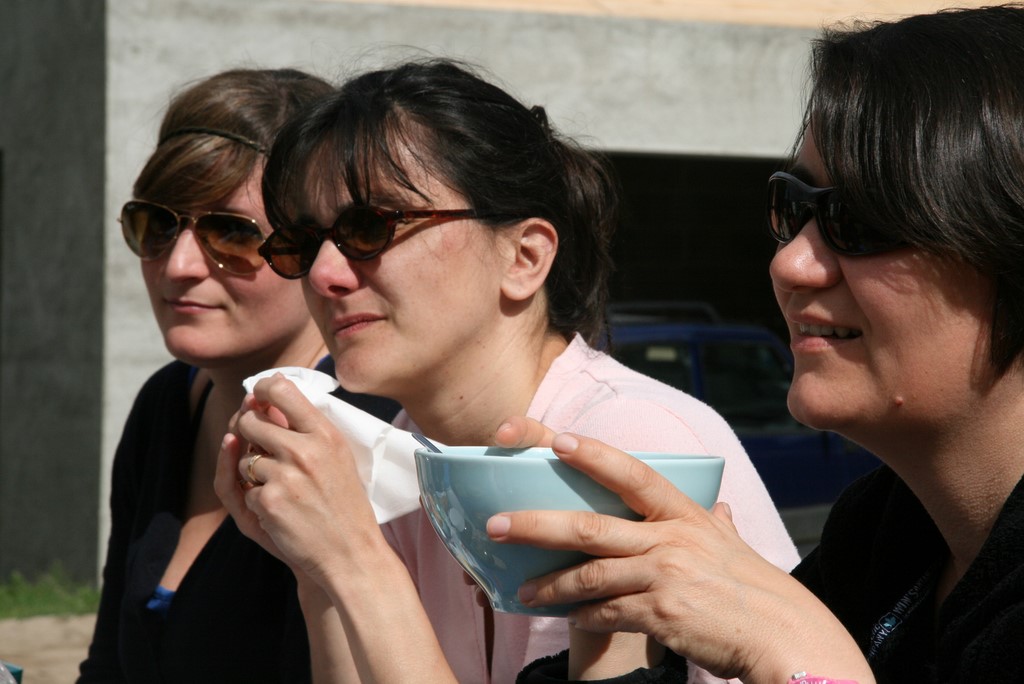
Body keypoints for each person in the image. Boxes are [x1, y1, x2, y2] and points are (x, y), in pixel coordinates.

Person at [213, 58, 798, 683]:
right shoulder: (408, 453)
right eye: (302, 244)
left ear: (524, 257)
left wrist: (354, 560)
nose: (324, 275)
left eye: (370, 226)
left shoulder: (634, 439)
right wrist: (317, 569)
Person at [489, 5, 1024, 683]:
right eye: (793, 207)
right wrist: (612, 607)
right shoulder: (884, 534)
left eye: (859, 220)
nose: (790, 264)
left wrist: (798, 651)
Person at [78, 68, 399, 683]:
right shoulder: (168, 401)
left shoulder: (368, 432)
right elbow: (110, 667)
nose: (178, 265)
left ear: (310, 247)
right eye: (156, 224)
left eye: (231, 232)